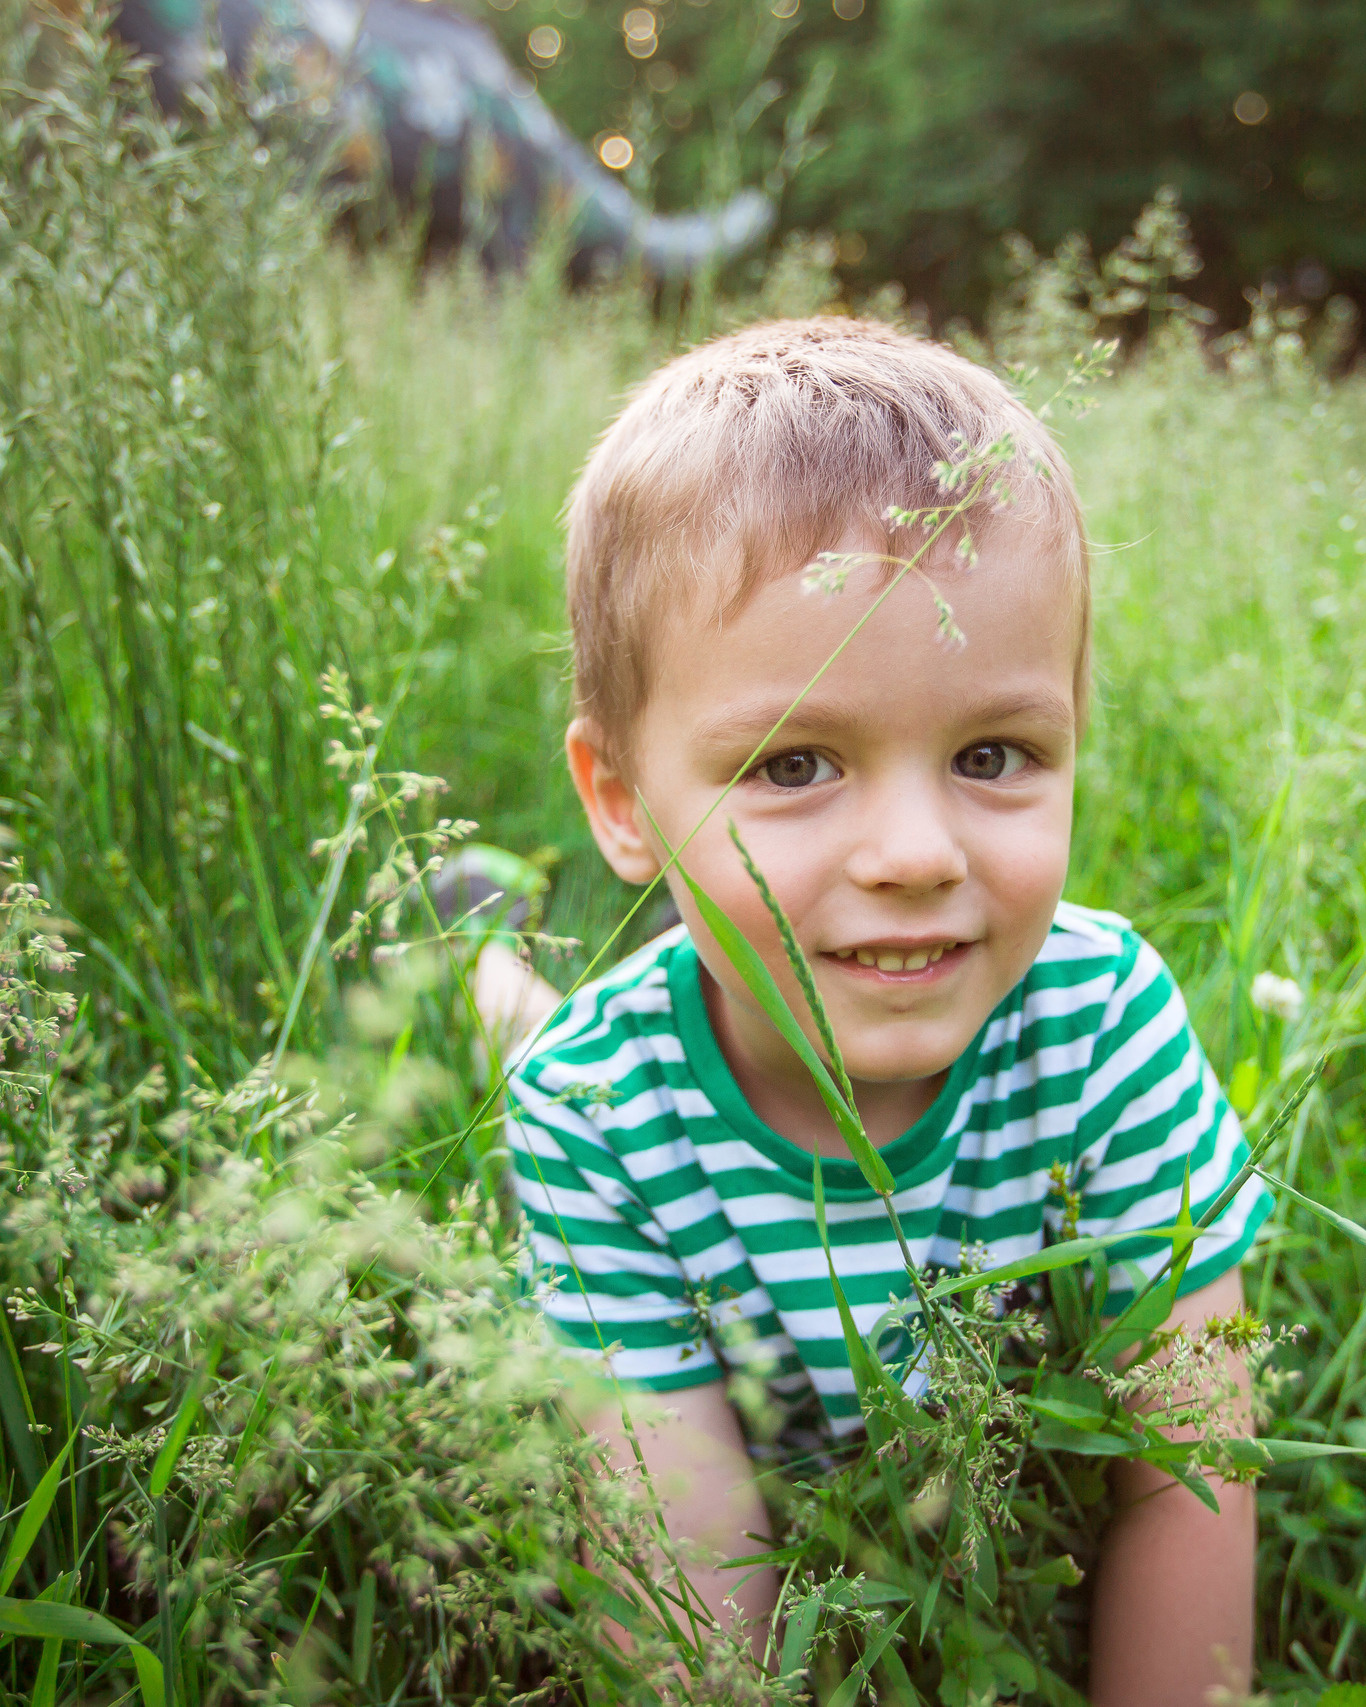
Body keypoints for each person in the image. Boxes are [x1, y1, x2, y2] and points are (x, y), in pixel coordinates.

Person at [498, 317, 1273, 1707]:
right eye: (796, 763)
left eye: (993, 754)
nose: (916, 852)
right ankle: (487, 957)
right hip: (607, 1068)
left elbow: (1192, 1479)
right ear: (620, 799)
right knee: (525, 1030)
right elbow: (686, 1574)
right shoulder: (594, 1109)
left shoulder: (1103, 1022)